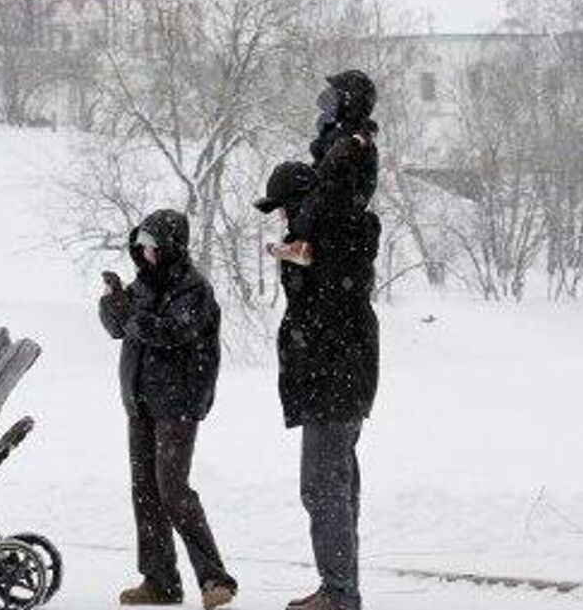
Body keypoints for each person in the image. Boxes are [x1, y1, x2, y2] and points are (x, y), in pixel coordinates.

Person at [256, 70, 381, 610]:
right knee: (336, 486)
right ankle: (339, 587)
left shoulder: (339, 220)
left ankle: (339, 592)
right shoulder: (329, 226)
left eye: (285, 209)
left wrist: (302, 251)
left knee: (323, 487)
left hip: (336, 376)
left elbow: (333, 277)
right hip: (333, 376)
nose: (284, 220)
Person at [98, 209, 238, 609]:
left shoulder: (194, 289)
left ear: (171, 247)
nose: (145, 253)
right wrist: (114, 304)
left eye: (152, 246)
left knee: (172, 490)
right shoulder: (142, 285)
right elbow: (118, 329)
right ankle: (160, 581)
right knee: (144, 491)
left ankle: (216, 579)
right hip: (140, 403)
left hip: (177, 404)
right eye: (140, 246)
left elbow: (172, 332)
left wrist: (133, 316)